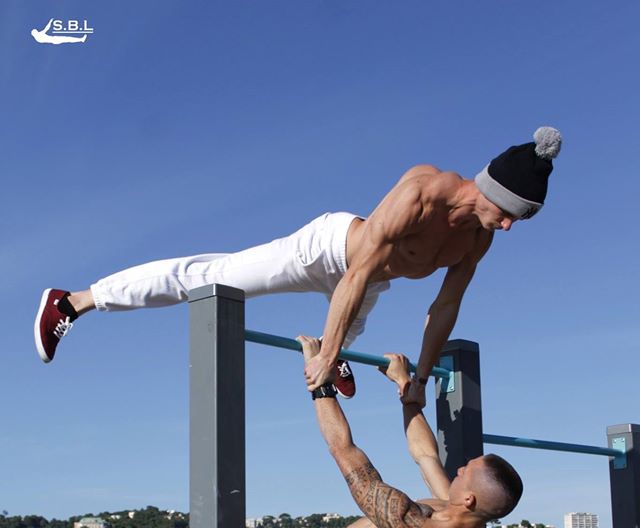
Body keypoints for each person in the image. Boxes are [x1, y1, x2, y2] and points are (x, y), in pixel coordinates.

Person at [35, 128, 561, 399]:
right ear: (490, 189)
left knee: (352, 320)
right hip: (328, 251)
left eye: (522, 220)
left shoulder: (477, 239)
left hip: (368, 285)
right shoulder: (424, 191)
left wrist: (421, 378)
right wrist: (327, 355)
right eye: (510, 213)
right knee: (212, 280)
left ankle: (341, 349)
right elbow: (355, 272)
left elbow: (445, 306)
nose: (510, 226)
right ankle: (77, 301)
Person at [118, 337, 522, 528]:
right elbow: (425, 456)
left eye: (468, 469)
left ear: (468, 497)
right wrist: (408, 395)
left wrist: (319, 378)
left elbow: (343, 450)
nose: (462, 465)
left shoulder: (411, 522)